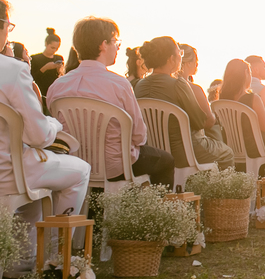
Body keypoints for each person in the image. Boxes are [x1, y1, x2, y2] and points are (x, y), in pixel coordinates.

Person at [0, 0, 91, 274]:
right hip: (8, 171)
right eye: (9, 27)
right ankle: (55, 258)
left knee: (31, 199)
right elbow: (39, 136)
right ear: (2, 26)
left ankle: (23, 262)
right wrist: (54, 124)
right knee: (80, 171)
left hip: (12, 170)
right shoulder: (12, 70)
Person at [46, 17, 174, 187]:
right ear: (103, 44)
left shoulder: (57, 86)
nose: (117, 47)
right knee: (166, 160)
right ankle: (157, 212)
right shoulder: (119, 84)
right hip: (115, 167)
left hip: (73, 163)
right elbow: (139, 135)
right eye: (115, 42)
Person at [134, 37, 234, 171]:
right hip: (184, 151)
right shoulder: (178, 84)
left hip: (154, 151)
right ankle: (218, 191)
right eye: (180, 53)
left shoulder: (139, 85)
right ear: (171, 58)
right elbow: (201, 122)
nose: (180, 58)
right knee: (227, 153)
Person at [178, 44, 223, 143]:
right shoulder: (194, 89)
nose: (197, 64)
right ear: (188, 63)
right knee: (228, 152)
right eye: (196, 60)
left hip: (169, 141)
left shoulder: (166, 87)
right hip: (192, 142)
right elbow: (208, 122)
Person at [30, 28, 65, 99]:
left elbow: (61, 77)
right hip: (39, 94)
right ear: (46, 44)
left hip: (55, 93)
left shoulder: (58, 58)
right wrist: (45, 68)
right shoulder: (35, 58)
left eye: (56, 48)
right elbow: (32, 78)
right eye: (52, 47)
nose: (54, 50)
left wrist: (60, 71)